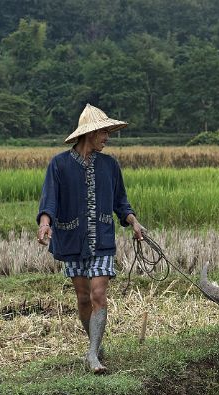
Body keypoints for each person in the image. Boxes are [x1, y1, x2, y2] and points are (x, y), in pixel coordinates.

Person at [37, 103, 145, 374]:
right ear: (90, 134)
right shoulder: (59, 164)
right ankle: (95, 345)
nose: (107, 137)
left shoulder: (109, 165)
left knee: (98, 294)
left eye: (108, 132)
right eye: (103, 132)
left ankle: (93, 355)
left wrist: (133, 221)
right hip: (72, 241)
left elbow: (121, 201)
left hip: (103, 241)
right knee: (83, 298)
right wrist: (45, 224)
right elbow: (49, 199)